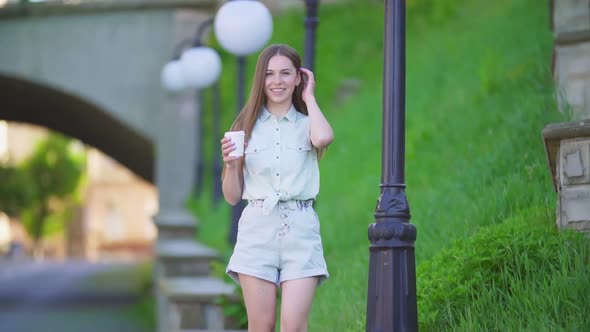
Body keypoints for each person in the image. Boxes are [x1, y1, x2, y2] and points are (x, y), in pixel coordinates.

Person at [221, 43, 334, 332]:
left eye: (286, 73)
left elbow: (322, 139)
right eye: (270, 74)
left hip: (300, 228)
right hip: (257, 229)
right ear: (261, 79)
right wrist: (232, 165)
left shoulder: (309, 123)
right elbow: (232, 196)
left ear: (298, 78)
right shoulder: (244, 126)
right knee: (262, 325)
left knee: (293, 326)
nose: (277, 81)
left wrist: (309, 97)